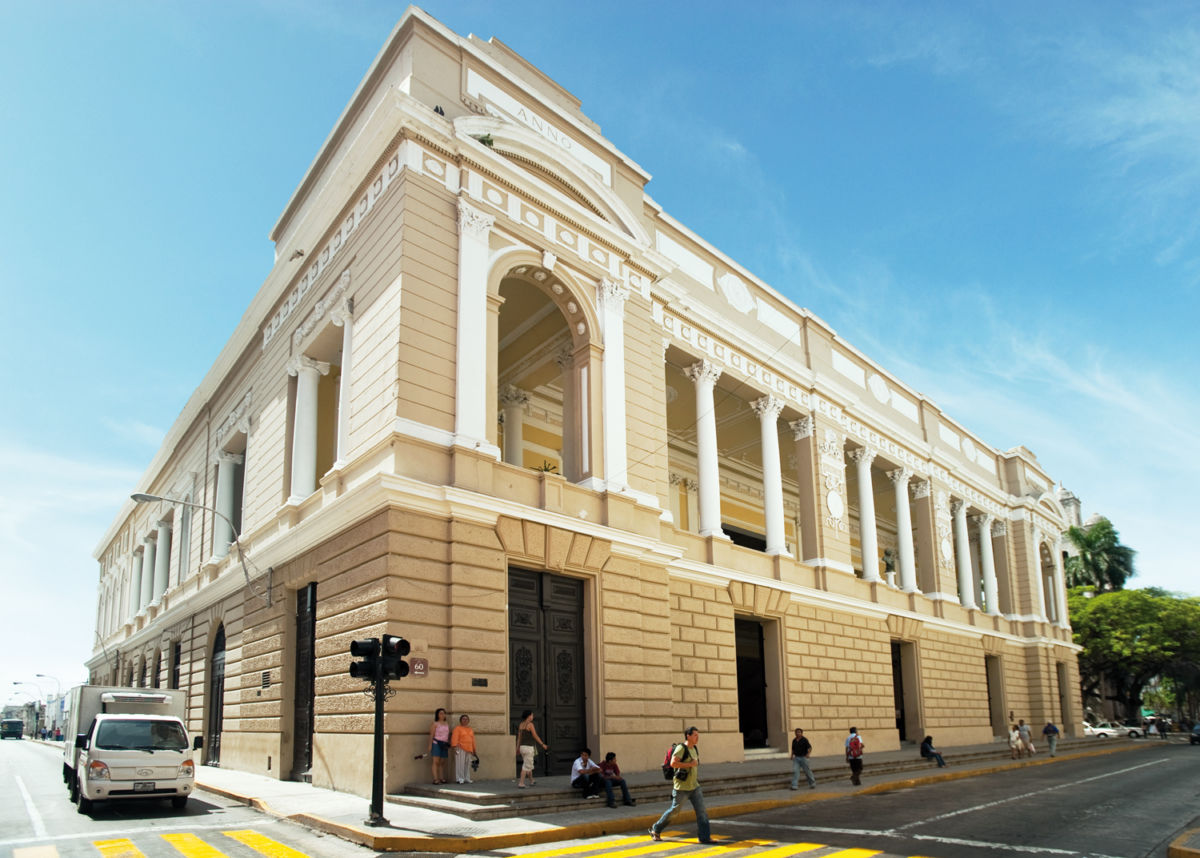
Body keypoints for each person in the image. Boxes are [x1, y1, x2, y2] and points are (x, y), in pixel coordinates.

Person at [649, 726, 711, 843]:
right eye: (695, 735)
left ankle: (705, 837)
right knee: (674, 811)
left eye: (698, 735)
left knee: (702, 812)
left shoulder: (694, 748)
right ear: (688, 735)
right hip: (681, 787)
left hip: (694, 786)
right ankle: (656, 829)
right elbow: (673, 763)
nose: (697, 737)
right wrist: (690, 764)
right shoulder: (681, 748)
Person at [515, 709, 548, 788]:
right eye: (532, 715)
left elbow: (519, 738)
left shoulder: (521, 724)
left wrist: (517, 748)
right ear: (529, 716)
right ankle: (521, 783)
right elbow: (535, 736)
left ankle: (531, 780)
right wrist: (542, 744)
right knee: (526, 766)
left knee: (528, 764)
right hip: (528, 748)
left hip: (522, 747)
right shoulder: (530, 725)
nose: (533, 716)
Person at [426, 708, 451, 784]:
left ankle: (441, 778)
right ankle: (435, 779)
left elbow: (447, 734)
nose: (442, 715)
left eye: (444, 713)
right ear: (437, 715)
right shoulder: (435, 724)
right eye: (440, 713)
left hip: (444, 744)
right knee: (436, 761)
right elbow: (431, 735)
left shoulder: (447, 724)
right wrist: (430, 745)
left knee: (442, 762)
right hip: (436, 743)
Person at [450, 714, 477, 784]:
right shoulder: (457, 728)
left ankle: (466, 778)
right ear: (460, 721)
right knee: (460, 764)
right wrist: (455, 747)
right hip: (460, 748)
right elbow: (454, 738)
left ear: (468, 721)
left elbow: (473, 740)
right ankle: (459, 778)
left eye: (466, 719)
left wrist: (474, 749)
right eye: (463, 719)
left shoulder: (470, 729)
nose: (465, 720)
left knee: (467, 764)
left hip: (469, 748)